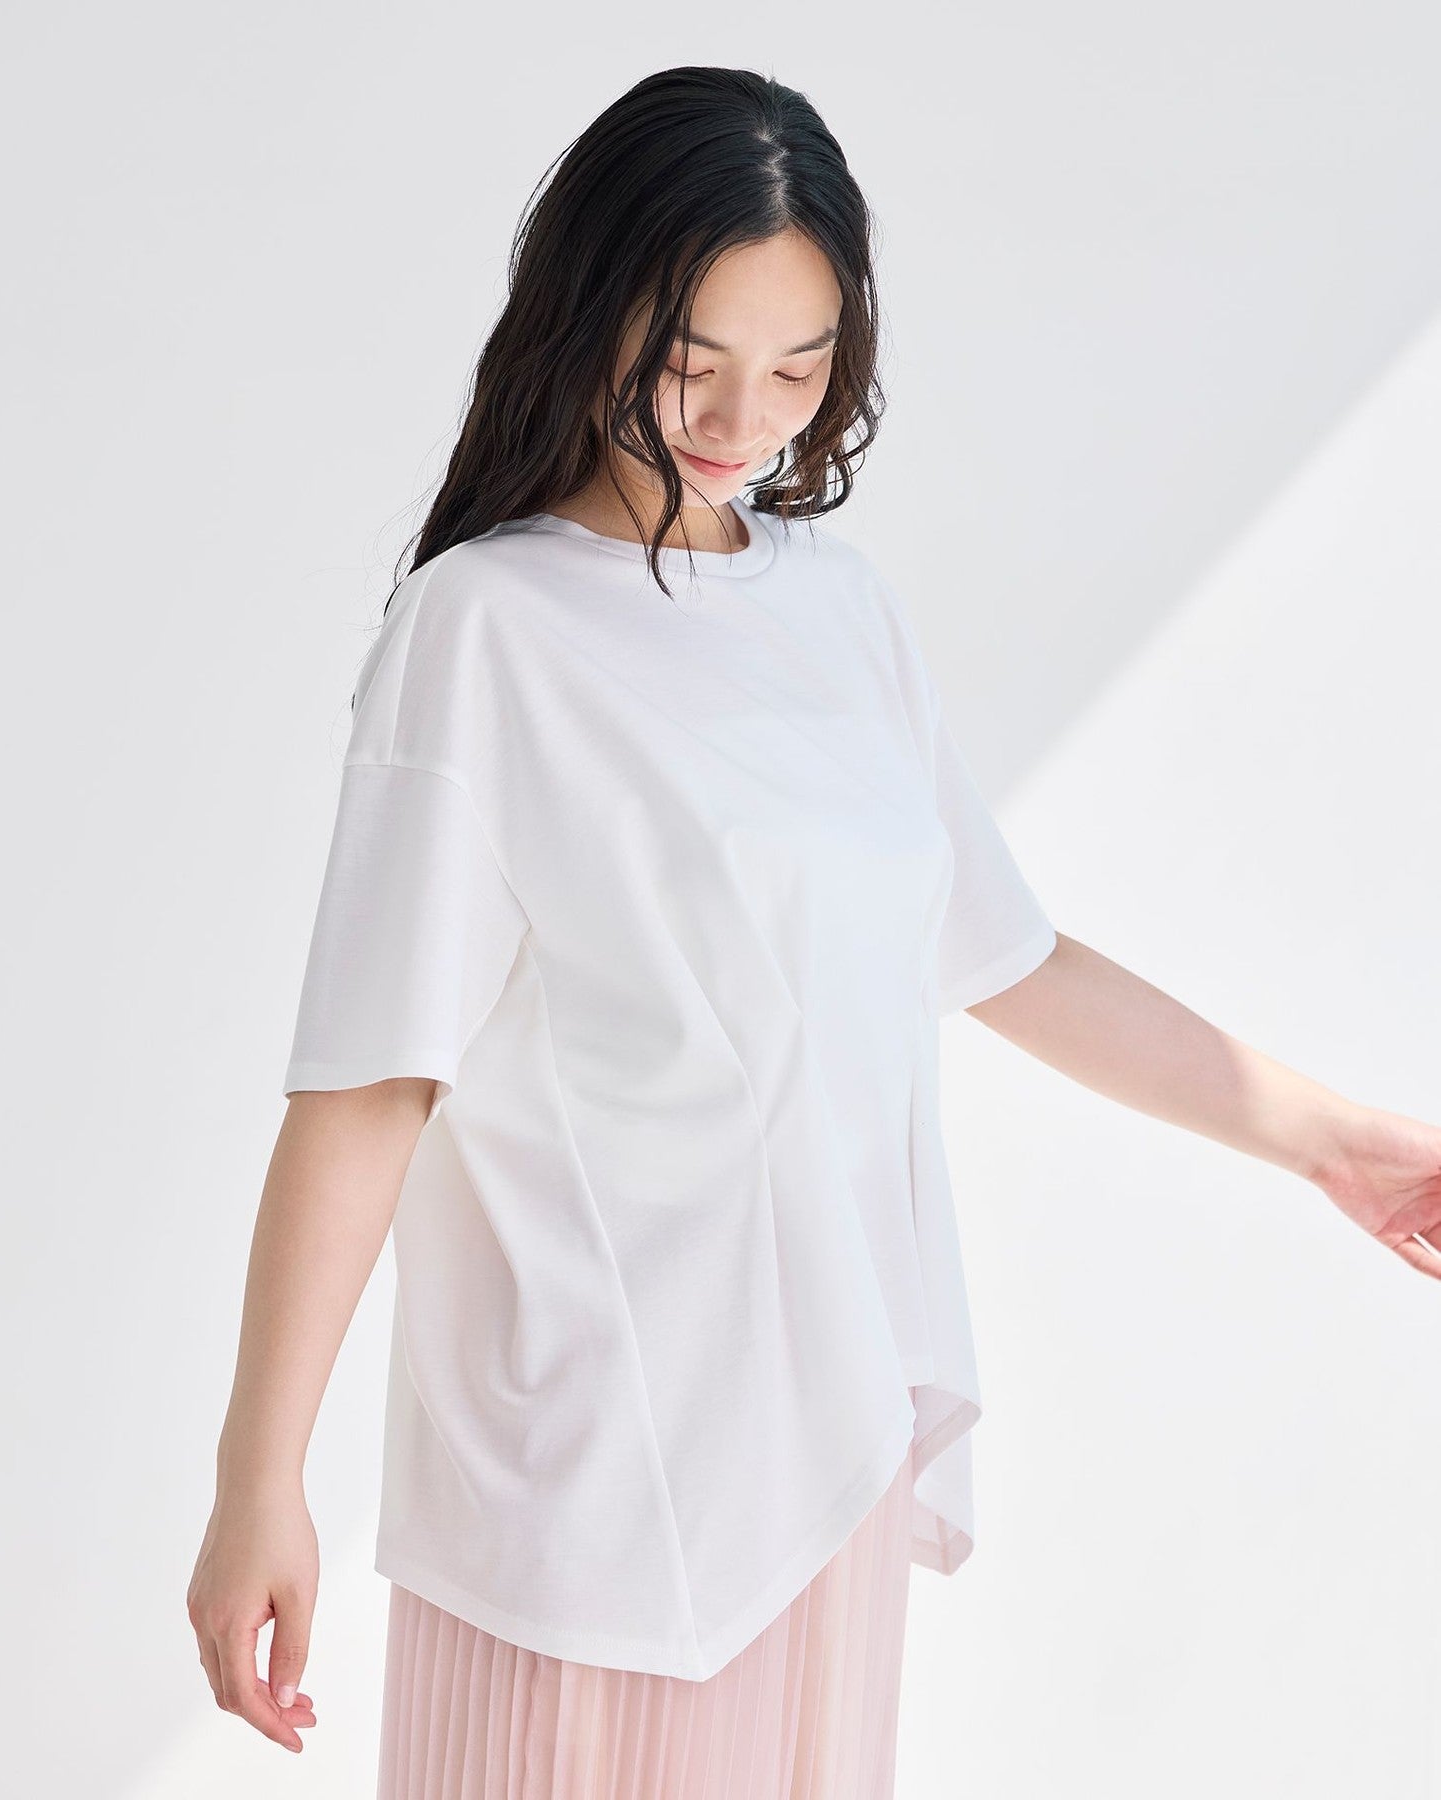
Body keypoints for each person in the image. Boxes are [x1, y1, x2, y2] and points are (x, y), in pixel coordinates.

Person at [185, 64, 1441, 1799]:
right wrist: (259, 1478)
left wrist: (1343, 1148)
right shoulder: (483, 631)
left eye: (797, 368)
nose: (739, 417)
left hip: (815, 1461)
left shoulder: (838, 611)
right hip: (588, 1488)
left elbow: (1009, 959)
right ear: (590, 307)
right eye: (692, 357)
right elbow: (370, 1083)